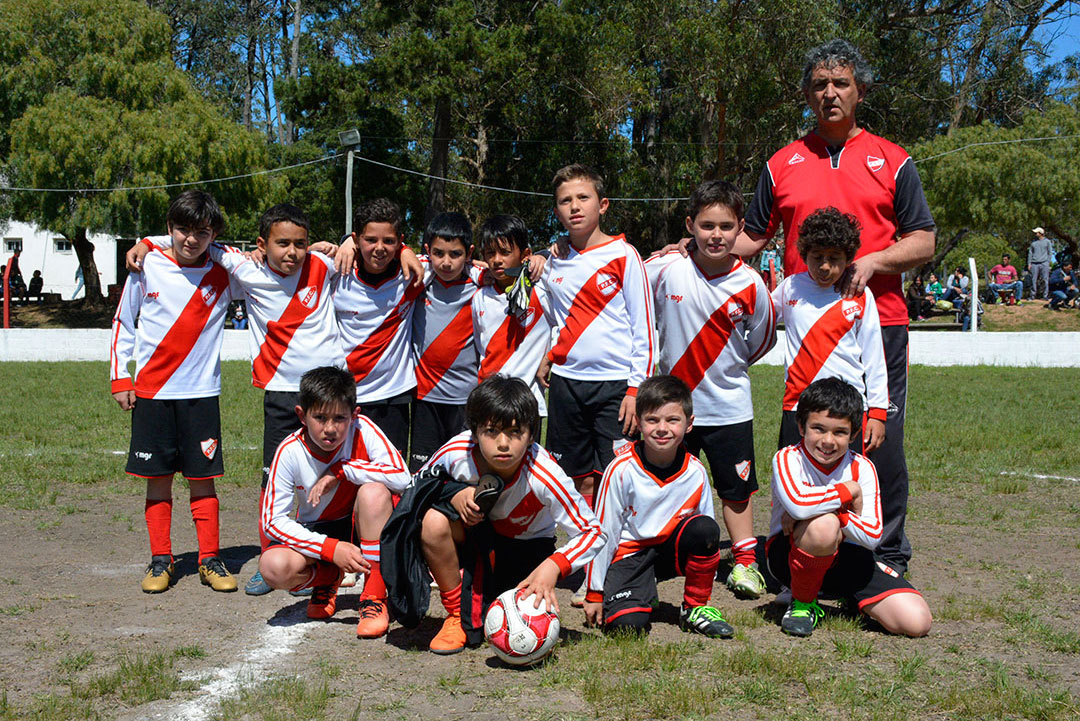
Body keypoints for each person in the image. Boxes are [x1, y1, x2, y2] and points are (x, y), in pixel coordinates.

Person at [736, 39, 936, 574]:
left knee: (880, 444)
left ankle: (886, 554)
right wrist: (691, 248)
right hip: (807, 333)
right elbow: (752, 238)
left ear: (860, 91)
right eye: (819, 85)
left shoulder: (893, 160)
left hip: (879, 324)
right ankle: (791, 553)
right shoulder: (782, 163)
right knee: (800, 444)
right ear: (806, 94)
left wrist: (873, 263)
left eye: (840, 83)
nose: (830, 93)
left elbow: (923, 241)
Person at [644, 180, 776, 600]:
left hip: (728, 407)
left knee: (735, 490)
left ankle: (745, 563)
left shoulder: (752, 285)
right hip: (672, 409)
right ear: (690, 226)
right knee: (662, 482)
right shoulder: (664, 270)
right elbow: (633, 304)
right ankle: (653, 556)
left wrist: (726, 371)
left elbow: (760, 341)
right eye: (706, 225)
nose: (715, 235)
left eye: (725, 226)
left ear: (740, 228)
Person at [109, 190, 240, 594]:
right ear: (169, 229)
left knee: (203, 480)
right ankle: (160, 560)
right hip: (151, 394)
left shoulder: (225, 273)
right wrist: (121, 378)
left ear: (212, 234)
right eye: (182, 229)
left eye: (202, 232)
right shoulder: (146, 266)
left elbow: (257, 257)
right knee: (158, 479)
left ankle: (210, 559)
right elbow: (123, 323)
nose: (190, 239)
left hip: (201, 394)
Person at [418, 375, 604, 654]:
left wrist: (553, 566)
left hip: (528, 549)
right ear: (474, 431)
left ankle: (488, 594)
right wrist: (453, 495)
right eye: (491, 431)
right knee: (433, 521)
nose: (503, 443)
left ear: (531, 435)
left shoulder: (545, 473)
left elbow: (593, 532)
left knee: (511, 613)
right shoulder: (457, 452)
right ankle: (456, 613)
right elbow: (415, 491)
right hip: (476, 542)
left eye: (515, 433)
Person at [539, 163, 654, 605]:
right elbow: (555, 320)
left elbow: (644, 328)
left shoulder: (625, 256)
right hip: (567, 386)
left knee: (616, 478)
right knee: (574, 479)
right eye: (566, 201)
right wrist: (552, 356)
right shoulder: (554, 261)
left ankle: (619, 562)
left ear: (602, 205)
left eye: (582, 198)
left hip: (614, 389)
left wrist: (634, 389)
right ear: (557, 210)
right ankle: (585, 559)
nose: (574, 207)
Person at [767, 377, 932, 638]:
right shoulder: (788, 458)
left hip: (849, 557)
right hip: (788, 555)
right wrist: (847, 492)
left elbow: (873, 535)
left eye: (840, 432)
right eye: (818, 428)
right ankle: (802, 603)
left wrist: (832, 511)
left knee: (916, 622)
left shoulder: (862, 467)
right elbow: (798, 505)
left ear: (854, 434)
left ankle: (847, 598)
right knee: (823, 527)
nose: (828, 441)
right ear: (801, 426)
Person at [259, 366, 411, 638]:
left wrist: (342, 469)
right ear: (301, 415)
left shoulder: (364, 430)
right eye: (319, 417)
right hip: (322, 532)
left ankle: (374, 596)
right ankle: (329, 577)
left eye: (340, 418)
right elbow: (272, 521)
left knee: (374, 491)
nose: (330, 428)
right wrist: (330, 549)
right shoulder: (289, 451)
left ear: (354, 415)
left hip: (364, 525)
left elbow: (402, 477)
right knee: (273, 566)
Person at [583, 375, 735, 638]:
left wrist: (703, 587)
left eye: (672, 420)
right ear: (639, 422)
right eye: (652, 420)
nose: (662, 428)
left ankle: (695, 608)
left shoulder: (695, 472)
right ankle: (641, 591)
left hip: (669, 551)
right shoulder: (621, 470)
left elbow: (706, 532)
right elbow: (603, 532)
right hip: (630, 555)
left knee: (704, 529)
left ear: (689, 424)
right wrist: (594, 592)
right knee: (627, 627)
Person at [772, 207, 888, 458]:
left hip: (847, 408)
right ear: (805, 255)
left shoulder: (860, 294)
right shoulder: (790, 288)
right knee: (792, 480)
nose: (825, 266)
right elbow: (758, 318)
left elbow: (874, 357)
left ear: (848, 258)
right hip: (798, 406)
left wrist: (878, 413)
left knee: (845, 486)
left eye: (834, 258)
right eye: (817, 257)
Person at [334, 199, 425, 454]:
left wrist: (406, 250)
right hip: (346, 395)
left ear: (400, 241)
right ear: (356, 239)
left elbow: (455, 258)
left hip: (393, 396)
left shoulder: (414, 273)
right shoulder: (335, 272)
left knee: (389, 478)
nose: (379, 248)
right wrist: (344, 243)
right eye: (370, 240)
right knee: (344, 477)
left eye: (389, 241)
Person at [409, 212, 482, 471]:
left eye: (455, 254)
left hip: (466, 400)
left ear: (469, 253)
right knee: (423, 473)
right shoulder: (417, 278)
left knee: (463, 472)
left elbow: (519, 266)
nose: (446, 262)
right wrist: (347, 242)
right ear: (428, 250)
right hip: (424, 397)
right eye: (439, 253)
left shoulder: (482, 283)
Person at [472, 214, 555, 422]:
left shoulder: (543, 290)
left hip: (529, 403)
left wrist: (542, 256)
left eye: (505, 252)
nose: (497, 259)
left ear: (525, 254)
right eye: (490, 253)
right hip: (488, 401)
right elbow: (480, 348)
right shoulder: (479, 297)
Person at [1028, 227, 1053, 300]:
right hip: (1034, 263)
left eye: (1037, 232)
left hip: (1044, 263)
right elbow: (1030, 253)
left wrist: (1047, 262)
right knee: (1033, 280)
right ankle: (1032, 296)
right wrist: (1029, 263)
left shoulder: (1047, 242)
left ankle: (1045, 295)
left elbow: (1050, 252)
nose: (1035, 234)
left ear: (1041, 233)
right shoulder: (1033, 243)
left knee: (1045, 279)